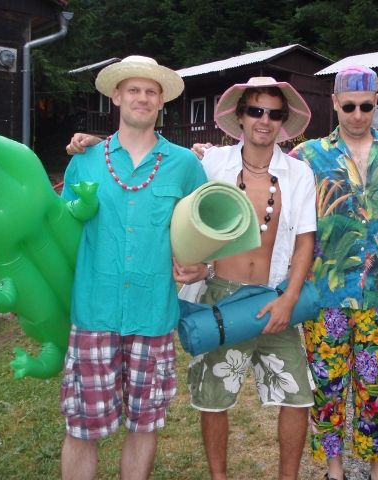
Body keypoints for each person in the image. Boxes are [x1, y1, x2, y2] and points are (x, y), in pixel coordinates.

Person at [68, 77, 317, 480]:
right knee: (213, 399)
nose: (264, 120)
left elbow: (305, 240)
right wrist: (98, 145)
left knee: (297, 396)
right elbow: (151, 159)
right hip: (219, 296)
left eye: (274, 113)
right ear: (240, 116)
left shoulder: (299, 174)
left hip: (273, 295)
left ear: (283, 121)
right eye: (256, 110)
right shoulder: (212, 163)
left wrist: (289, 299)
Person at [59, 56, 208, 480]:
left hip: (153, 316)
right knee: (81, 427)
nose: (142, 98)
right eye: (133, 90)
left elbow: (207, 227)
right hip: (94, 313)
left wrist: (203, 267)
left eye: (150, 91)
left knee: (145, 426)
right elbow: (62, 227)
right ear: (116, 96)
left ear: (161, 101)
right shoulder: (85, 159)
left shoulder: (185, 164)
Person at [288, 65, 378, 480]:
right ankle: (335, 470)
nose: (358, 115)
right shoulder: (307, 155)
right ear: (334, 103)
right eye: (349, 106)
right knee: (327, 388)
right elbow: (268, 187)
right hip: (325, 294)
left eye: (366, 106)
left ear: (377, 102)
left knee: (377, 390)